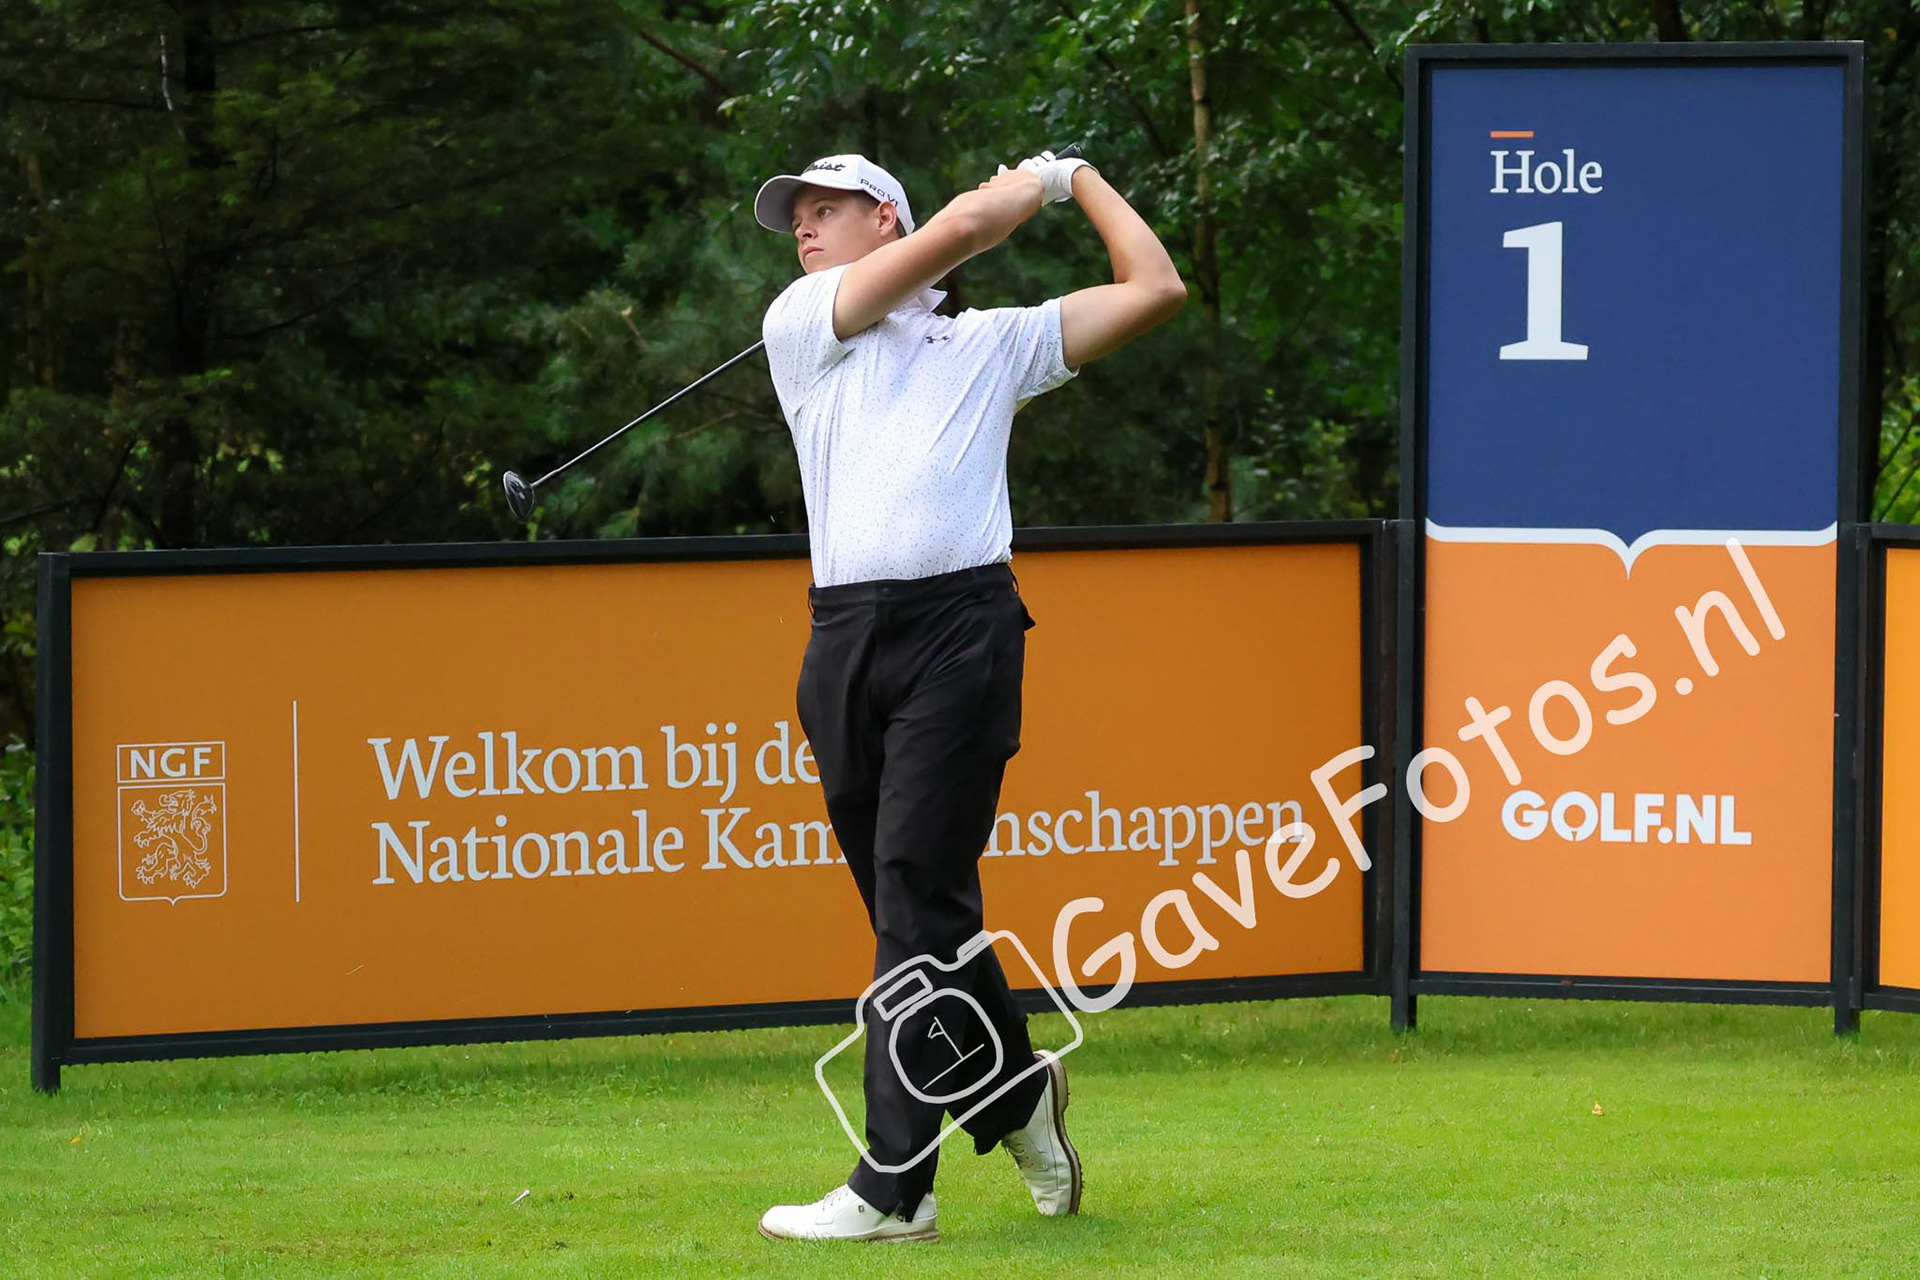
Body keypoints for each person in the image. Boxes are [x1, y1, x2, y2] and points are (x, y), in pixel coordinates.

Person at [751, 149, 1185, 1243]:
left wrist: (1075, 177)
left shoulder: (991, 343)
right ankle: (1018, 1093)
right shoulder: (804, 322)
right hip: (843, 640)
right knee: (924, 917)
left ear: (881, 215)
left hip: (962, 630)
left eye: (827, 208)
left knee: (912, 896)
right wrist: (1021, 189)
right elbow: (950, 238)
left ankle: (894, 1185)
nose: (803, 228)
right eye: (795, 215)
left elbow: (1155, 287)